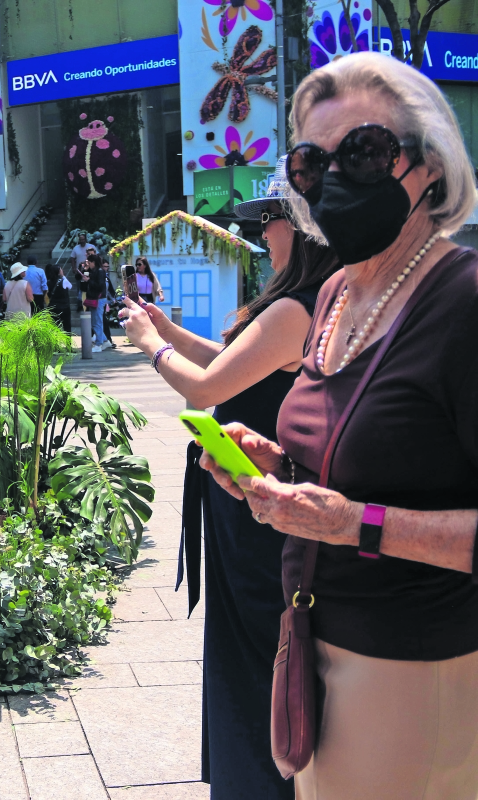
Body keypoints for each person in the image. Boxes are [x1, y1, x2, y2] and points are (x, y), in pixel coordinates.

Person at [200, 53, 478, 798]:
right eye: (311, 163)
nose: (334, 181)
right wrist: (274, 473)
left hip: (417, 674)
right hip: (311, 656)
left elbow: (364, 508)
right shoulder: (334, 299)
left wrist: (359, 524)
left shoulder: (463, 303)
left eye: (363, 151)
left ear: (430, 166)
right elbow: (357, 466)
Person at [123, 155, 339, 799]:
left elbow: (208, 386)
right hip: (248, 496)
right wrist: (169, 330)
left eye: (268, 221)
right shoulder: (303, 302)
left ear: (298, 229)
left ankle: (254, 782)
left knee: (254, 653)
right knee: (250, 647)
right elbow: (235, 365)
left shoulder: (297, 307)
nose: (260, 235)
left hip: (260, 506)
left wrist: (148, 345)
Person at [82, 254, 113, 351]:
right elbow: (85, 279)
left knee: (97, 321)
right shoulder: (94, 271)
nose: (89, 264)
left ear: (93, 262)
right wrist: (86, 270)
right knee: (95, 321)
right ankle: (105, 340)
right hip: (94, 298)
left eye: (89, 263)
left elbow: (99, 286)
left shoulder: (100, 272)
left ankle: (99, 344)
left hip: (99, 298)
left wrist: (89, 280)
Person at [44, 263, 72, 333]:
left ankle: (56, 343)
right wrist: (63, 276)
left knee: (55, 327)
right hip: (64, 307)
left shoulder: (49, 282)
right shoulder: (63, 281)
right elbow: (70, 286)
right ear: (59, 271)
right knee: (66, 327)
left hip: (53, 306)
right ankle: (68, 343)